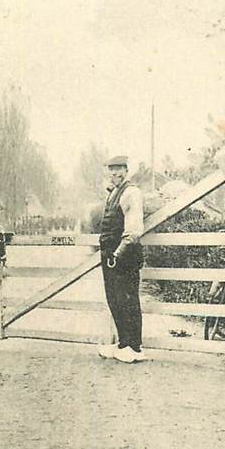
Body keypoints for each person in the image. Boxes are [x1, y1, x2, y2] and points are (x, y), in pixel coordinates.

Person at [97, 155, 147, 364]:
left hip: (124, 254)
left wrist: (118, 253)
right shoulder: (113, 193)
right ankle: (123, 343)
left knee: (128, 300)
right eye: (111, 169)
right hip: (111, 255)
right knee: (114, 300)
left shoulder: (131, 193)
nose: (115, 173)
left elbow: (134, 230)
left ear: (126, 171)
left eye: (119, 169)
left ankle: (134, 347)